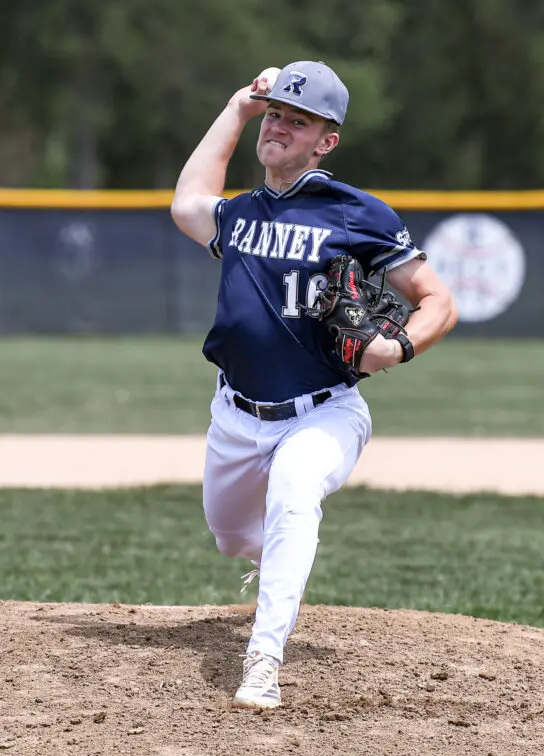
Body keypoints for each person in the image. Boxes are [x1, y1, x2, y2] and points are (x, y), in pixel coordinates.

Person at [169, 61, 458, 710]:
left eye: (295, 122)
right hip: (236, 416)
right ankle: (272, 561)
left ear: (325, 140)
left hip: (322, 413)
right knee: (229, 534)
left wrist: (398, 344)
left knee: (295, 491)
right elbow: (186, 204)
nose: (278, 128)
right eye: (275, 116)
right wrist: (238, 106)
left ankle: (263, 661)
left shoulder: (359, 214)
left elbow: (438, 299)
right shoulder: (242, 215)